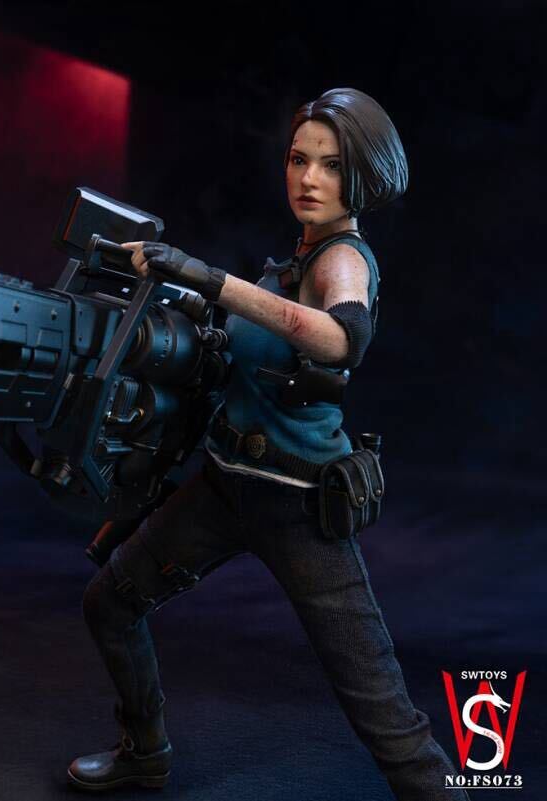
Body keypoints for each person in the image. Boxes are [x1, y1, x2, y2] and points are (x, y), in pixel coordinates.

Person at [68, 88, 468, 800]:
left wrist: (208, 277)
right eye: (298, 159)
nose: (309, 179)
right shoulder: (288, 265)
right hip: (225, 484)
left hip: (298, 502)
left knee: (375, 698)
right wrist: (184, 293)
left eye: (331, 165)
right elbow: (237, 343)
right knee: (110, 602)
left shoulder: (343, 260)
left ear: (362, 175)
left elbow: (341, 338)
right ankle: (144, 750)